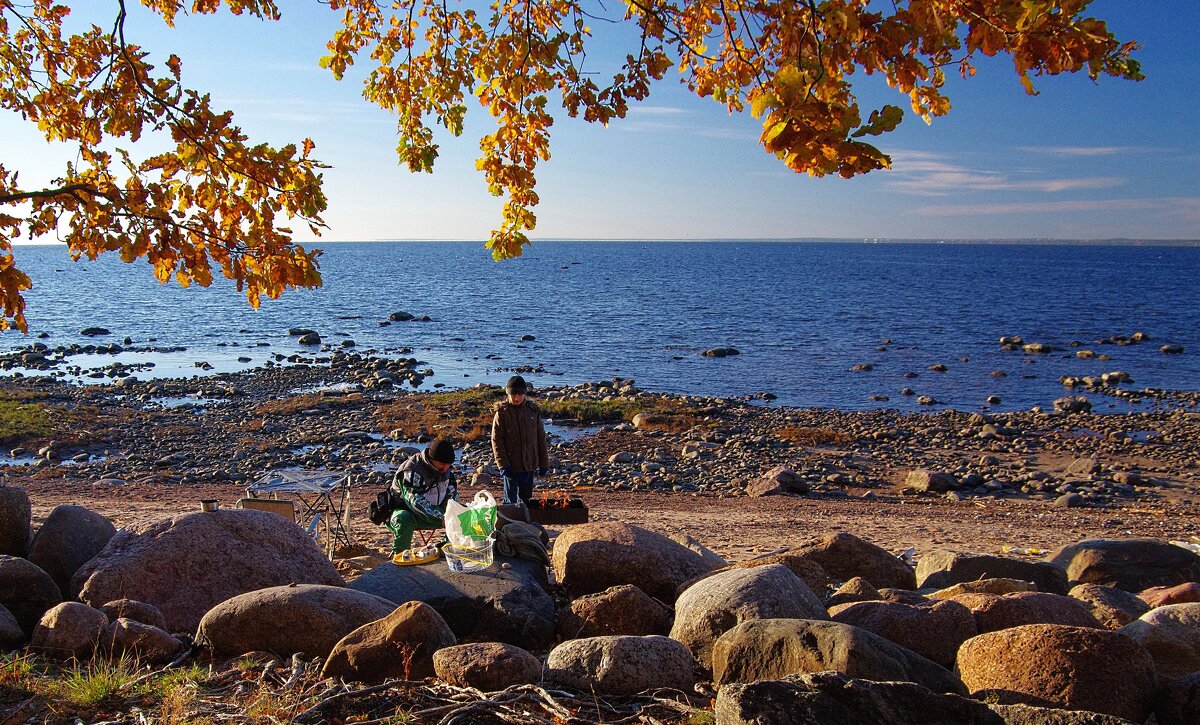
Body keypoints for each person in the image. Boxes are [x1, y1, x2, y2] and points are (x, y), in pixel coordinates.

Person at [386, 437, 458, 563]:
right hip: (405, 512)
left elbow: (452, 496)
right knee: (404, 518)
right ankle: (400, 557)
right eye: (442, 463)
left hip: (435, 513)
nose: (446, 467)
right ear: (432, 459)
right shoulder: (412, 470)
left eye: (448, 464)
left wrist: (451, 514)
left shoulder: (446, 471)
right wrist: (441, 517)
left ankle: (445, 549)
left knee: (460, 514)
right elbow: (415, 501)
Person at [491, 375, 549, 505]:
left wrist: (544, 463)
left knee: (526, 499)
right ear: (508, 394)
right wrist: (503, 465)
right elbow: (496, 442)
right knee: (510, 502)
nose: (516, 398)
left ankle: (523, 524)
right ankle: (508, 524)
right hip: (510, 466)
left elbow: (540, 438)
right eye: (513, 395)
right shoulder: (502, 413)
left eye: (519, 394)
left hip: (529, 464)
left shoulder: (532, 411)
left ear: (525, 394)